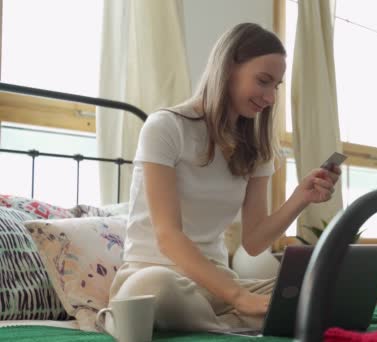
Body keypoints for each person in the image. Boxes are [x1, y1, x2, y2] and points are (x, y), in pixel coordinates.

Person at [108, 22, 341, 332]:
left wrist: (301, 197)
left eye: (276, 86)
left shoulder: (256, 149)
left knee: (319, 289)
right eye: (263, 81)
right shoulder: (165, 127)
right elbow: (167, 236)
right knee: (158, 288)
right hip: (154, 278)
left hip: (217, 288)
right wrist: (240, 297)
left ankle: (218, 322)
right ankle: (233, 325)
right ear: (228, 67)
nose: (270, 97)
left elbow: (255, 241)